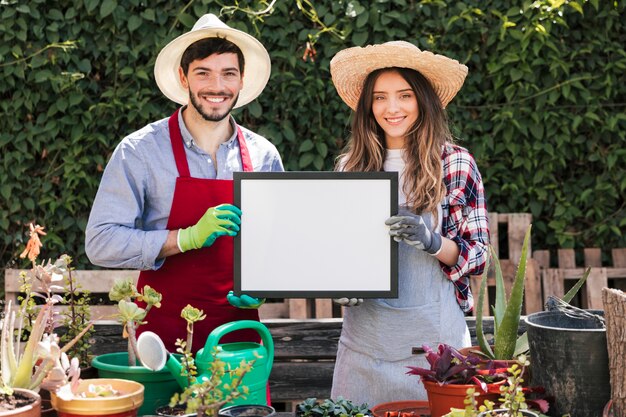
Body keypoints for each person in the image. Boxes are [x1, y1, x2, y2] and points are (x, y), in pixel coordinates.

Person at [85, 14, 283, 353]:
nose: (216, 86)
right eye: (203, 72)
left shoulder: (263, 156)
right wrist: (185, 238)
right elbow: (101, 243)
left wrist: (266, 285)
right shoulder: (141, 151)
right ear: (183, 77)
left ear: (241, 80)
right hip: (160, 339)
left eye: (228, 74)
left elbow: (281, 245)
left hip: (239, 340)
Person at [328, 41, 490, 405]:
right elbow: (340, 252)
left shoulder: (455, 165)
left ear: (423, 100)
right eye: (380, 97)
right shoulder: (349, 168)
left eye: (404, 95)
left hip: (436, 352)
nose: (392, 108)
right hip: (364, 350)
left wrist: (433, 242)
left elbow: (479, 257)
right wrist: (340, 283)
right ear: (368, 107)